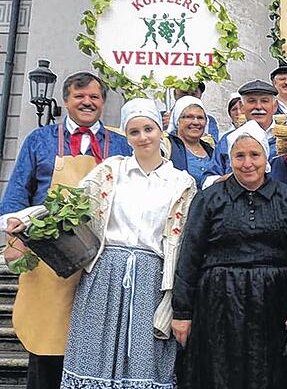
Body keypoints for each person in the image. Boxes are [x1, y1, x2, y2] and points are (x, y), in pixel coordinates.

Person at [4, 99, 196, 387]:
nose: (143, 137)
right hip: (103, 275)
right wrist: (27, 220)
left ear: (160, 131)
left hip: (151, 281)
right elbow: (68, 203)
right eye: (134, 131)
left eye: (148, 129)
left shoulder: (181, 182)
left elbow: (185, 242)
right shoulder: (110, 171)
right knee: (93, 356)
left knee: (145, 361)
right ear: (126, 137)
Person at [0, 72, 132, 389]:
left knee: (95, 345)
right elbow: (16, 196)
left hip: (101, 259)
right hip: (47, 258)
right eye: (79, 96)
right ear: (66, 100)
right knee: (46, 339)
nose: (87, 102)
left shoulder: (122, 145)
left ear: (103, 102)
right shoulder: (39, 140)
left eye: (94, 97)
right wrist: (13, 233)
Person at [172, 120, 287, 389]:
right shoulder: (209, 199)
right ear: (230, 159)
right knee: (219, 371)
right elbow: (189, 256)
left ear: (266, 157)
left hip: (274, 302)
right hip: (218, 301)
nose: (247, 163)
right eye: (240, 156)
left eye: (254, 155)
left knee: (270, 372)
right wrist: (182, 312)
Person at [202, 80, 279, 187]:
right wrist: (232, 178)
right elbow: (208, 178)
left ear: (275, 106)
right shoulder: (228, 139)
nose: (258, 107)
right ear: (242, 107)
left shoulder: (286, 140)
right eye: (251, 101)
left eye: (264, 101)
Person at [165, 96, 216, 188]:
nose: (196, 122)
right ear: (177, 121)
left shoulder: (210, 149)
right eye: (189, 117)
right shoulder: (167, 147)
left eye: (200, 118)